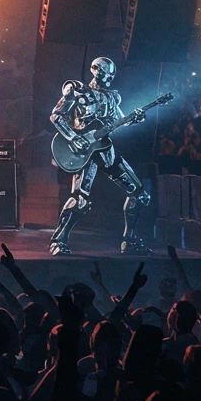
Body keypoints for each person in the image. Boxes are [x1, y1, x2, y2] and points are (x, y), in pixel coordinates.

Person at [48, 57, 153, 256]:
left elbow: (119, 120)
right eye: (106, 72)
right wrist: (72, 137)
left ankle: (130, 240)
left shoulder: (113, 96)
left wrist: (135, 119)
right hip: (85, 152)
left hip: (106, 152)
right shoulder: (76, 89)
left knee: (140, 195)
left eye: (112, 74)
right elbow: (56, 115)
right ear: (94, 69)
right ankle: (59, 240)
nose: (109, 78)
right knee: (80, 199)